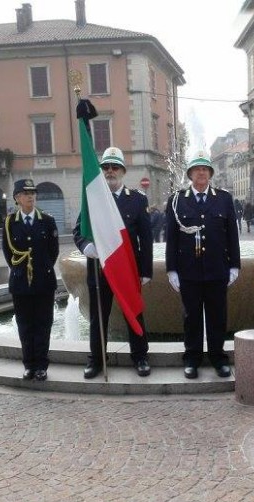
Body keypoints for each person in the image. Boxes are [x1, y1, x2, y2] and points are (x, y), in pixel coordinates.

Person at [73, 147, 153, 379]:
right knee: (99, 316)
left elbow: (146, 238)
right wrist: (86, 246)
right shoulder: (92, 199)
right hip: (100, 269)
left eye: (114, 167)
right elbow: (79, 230)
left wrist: (145, 270)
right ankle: (97, 360)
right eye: (106, 167)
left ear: (123, 171)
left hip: (128, 269)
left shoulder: (137, 200)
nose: (110, 171)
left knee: (134, 313)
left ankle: (140, 357)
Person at [165, 150, 240, 379]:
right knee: (192, 318)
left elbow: (232, 236)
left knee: (218, 316)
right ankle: (192, 358)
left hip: (217, 269)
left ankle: (218, 358)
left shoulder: (224, 198)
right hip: (189, 271)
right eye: (197, 169)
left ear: (210, 174)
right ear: (190, 174)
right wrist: (171, 269)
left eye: (205, 169)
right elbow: (172, 237)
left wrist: (234, 265)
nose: (201, 173)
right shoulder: (177, 200)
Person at [2, 179, 59, 381]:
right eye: (26, 193)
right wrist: (21, 270)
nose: (30, 196)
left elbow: (53, 252)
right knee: (25, 325)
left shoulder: (47, 220)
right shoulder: (10, 222)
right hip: (20, 283)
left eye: (33, 192)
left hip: (44, 281)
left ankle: (42, 366)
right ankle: (29, 365)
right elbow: (9, 254)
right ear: (17, 198)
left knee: (43, 324)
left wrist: (39, 269)